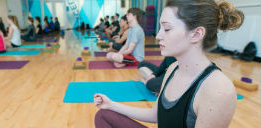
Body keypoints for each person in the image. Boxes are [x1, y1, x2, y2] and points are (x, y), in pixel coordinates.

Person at [94, 1, 244, 127]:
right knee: (104, 115)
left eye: (167, 29)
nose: (159, 36)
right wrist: (111, 104)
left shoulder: (218, 90)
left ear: (196, 34)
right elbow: (155, 115)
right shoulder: (173, 68)